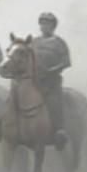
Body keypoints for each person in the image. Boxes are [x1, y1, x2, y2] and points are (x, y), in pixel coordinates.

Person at [31, 12, 71, 150]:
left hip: (52, 82)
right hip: (35, 81)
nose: (45, 26)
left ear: (53, 26)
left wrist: (52, 70)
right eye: (43, 23)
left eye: (48, 24)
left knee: (54, 104)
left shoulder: (59, 43)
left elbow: (66, 62)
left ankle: (59, 131)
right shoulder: (34, 42)